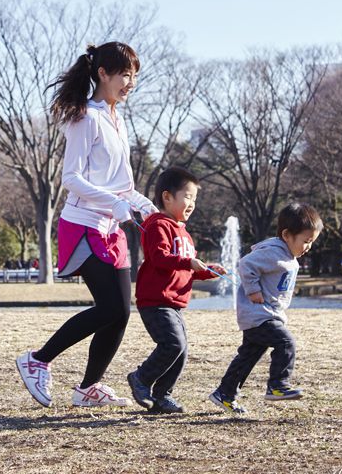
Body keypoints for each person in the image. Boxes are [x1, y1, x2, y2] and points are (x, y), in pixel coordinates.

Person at [16, 42, 157, 408]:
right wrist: (115, 204)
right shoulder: (85, 117)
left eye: (134, 76)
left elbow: (121, 184)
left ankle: (88, 388)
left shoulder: (117, 119)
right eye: (125, 74)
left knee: (121, 311)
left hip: (112, 228)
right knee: (110, 307)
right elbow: (71, 178)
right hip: (83, 225)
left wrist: (144, 206)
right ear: (103, 74)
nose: (131, 82)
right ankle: (38, 359)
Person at [127, 167, 226, 414]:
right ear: (167, 197)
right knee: (172, 344)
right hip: (155, 300)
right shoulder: (157, 225)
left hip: (174, 303)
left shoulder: (184, 233)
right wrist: (188, 262)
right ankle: (141, 378)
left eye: (195, 199)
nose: (192, 203)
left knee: (180, 351)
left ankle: (161, 396)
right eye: (188, 197)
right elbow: (161, 258)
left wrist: (209, 270)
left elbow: (188, 267)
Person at [210, 203, 323, 414]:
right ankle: (278, 386)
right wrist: (252, 290)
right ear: (287, 235)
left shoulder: (288, 255)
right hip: (259, 315)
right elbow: (245, 265)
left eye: (311, 243)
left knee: (248, 357)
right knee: (286, 342)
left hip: (266, 315)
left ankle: (224, 393)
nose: (308, 247)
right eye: (306, 241)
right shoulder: (274, 252)